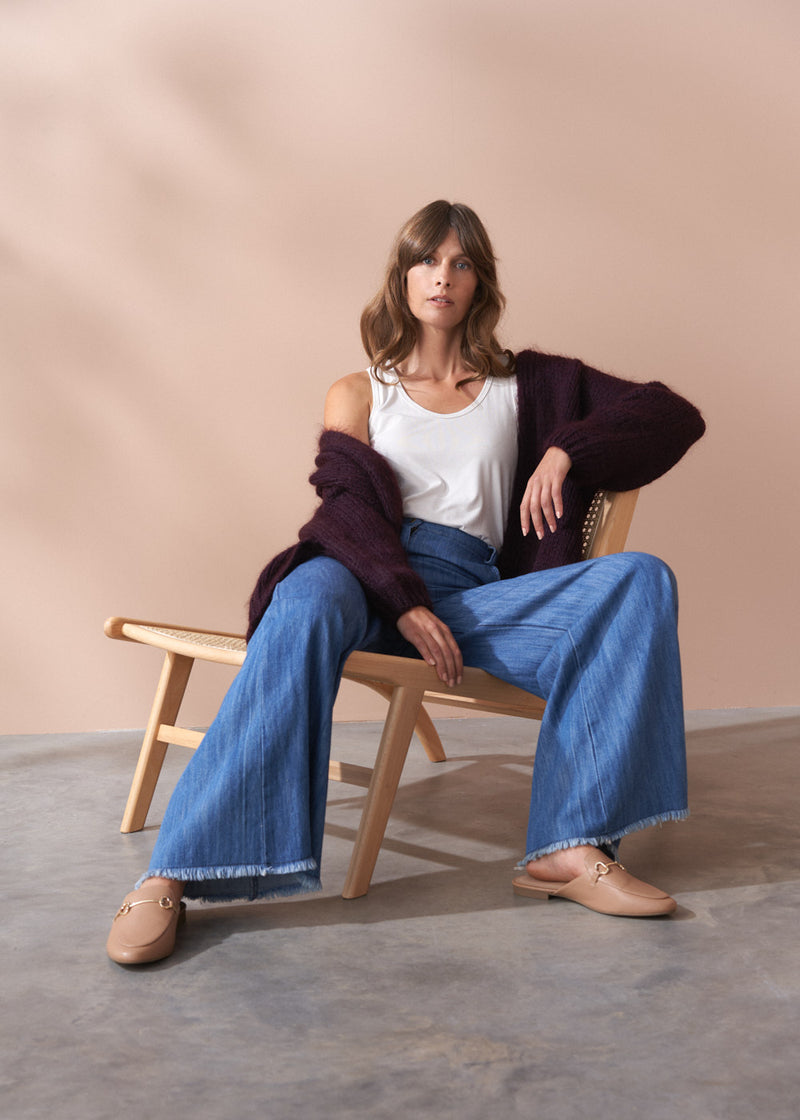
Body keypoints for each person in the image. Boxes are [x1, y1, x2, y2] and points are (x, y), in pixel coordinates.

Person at [106, 200, 705, 965]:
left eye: (461, 264)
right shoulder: (360, 391)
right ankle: (175, 871)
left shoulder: (529, 385)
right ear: (403, 276)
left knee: (640, 578)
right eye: (428, 260)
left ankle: (568, 846)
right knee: (301, 603)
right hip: (362, 572)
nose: (443, 277)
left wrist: (567, 449)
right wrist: (405, 599)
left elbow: (670, 416)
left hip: (476, 593)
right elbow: (347, 509)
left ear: (479, 283)